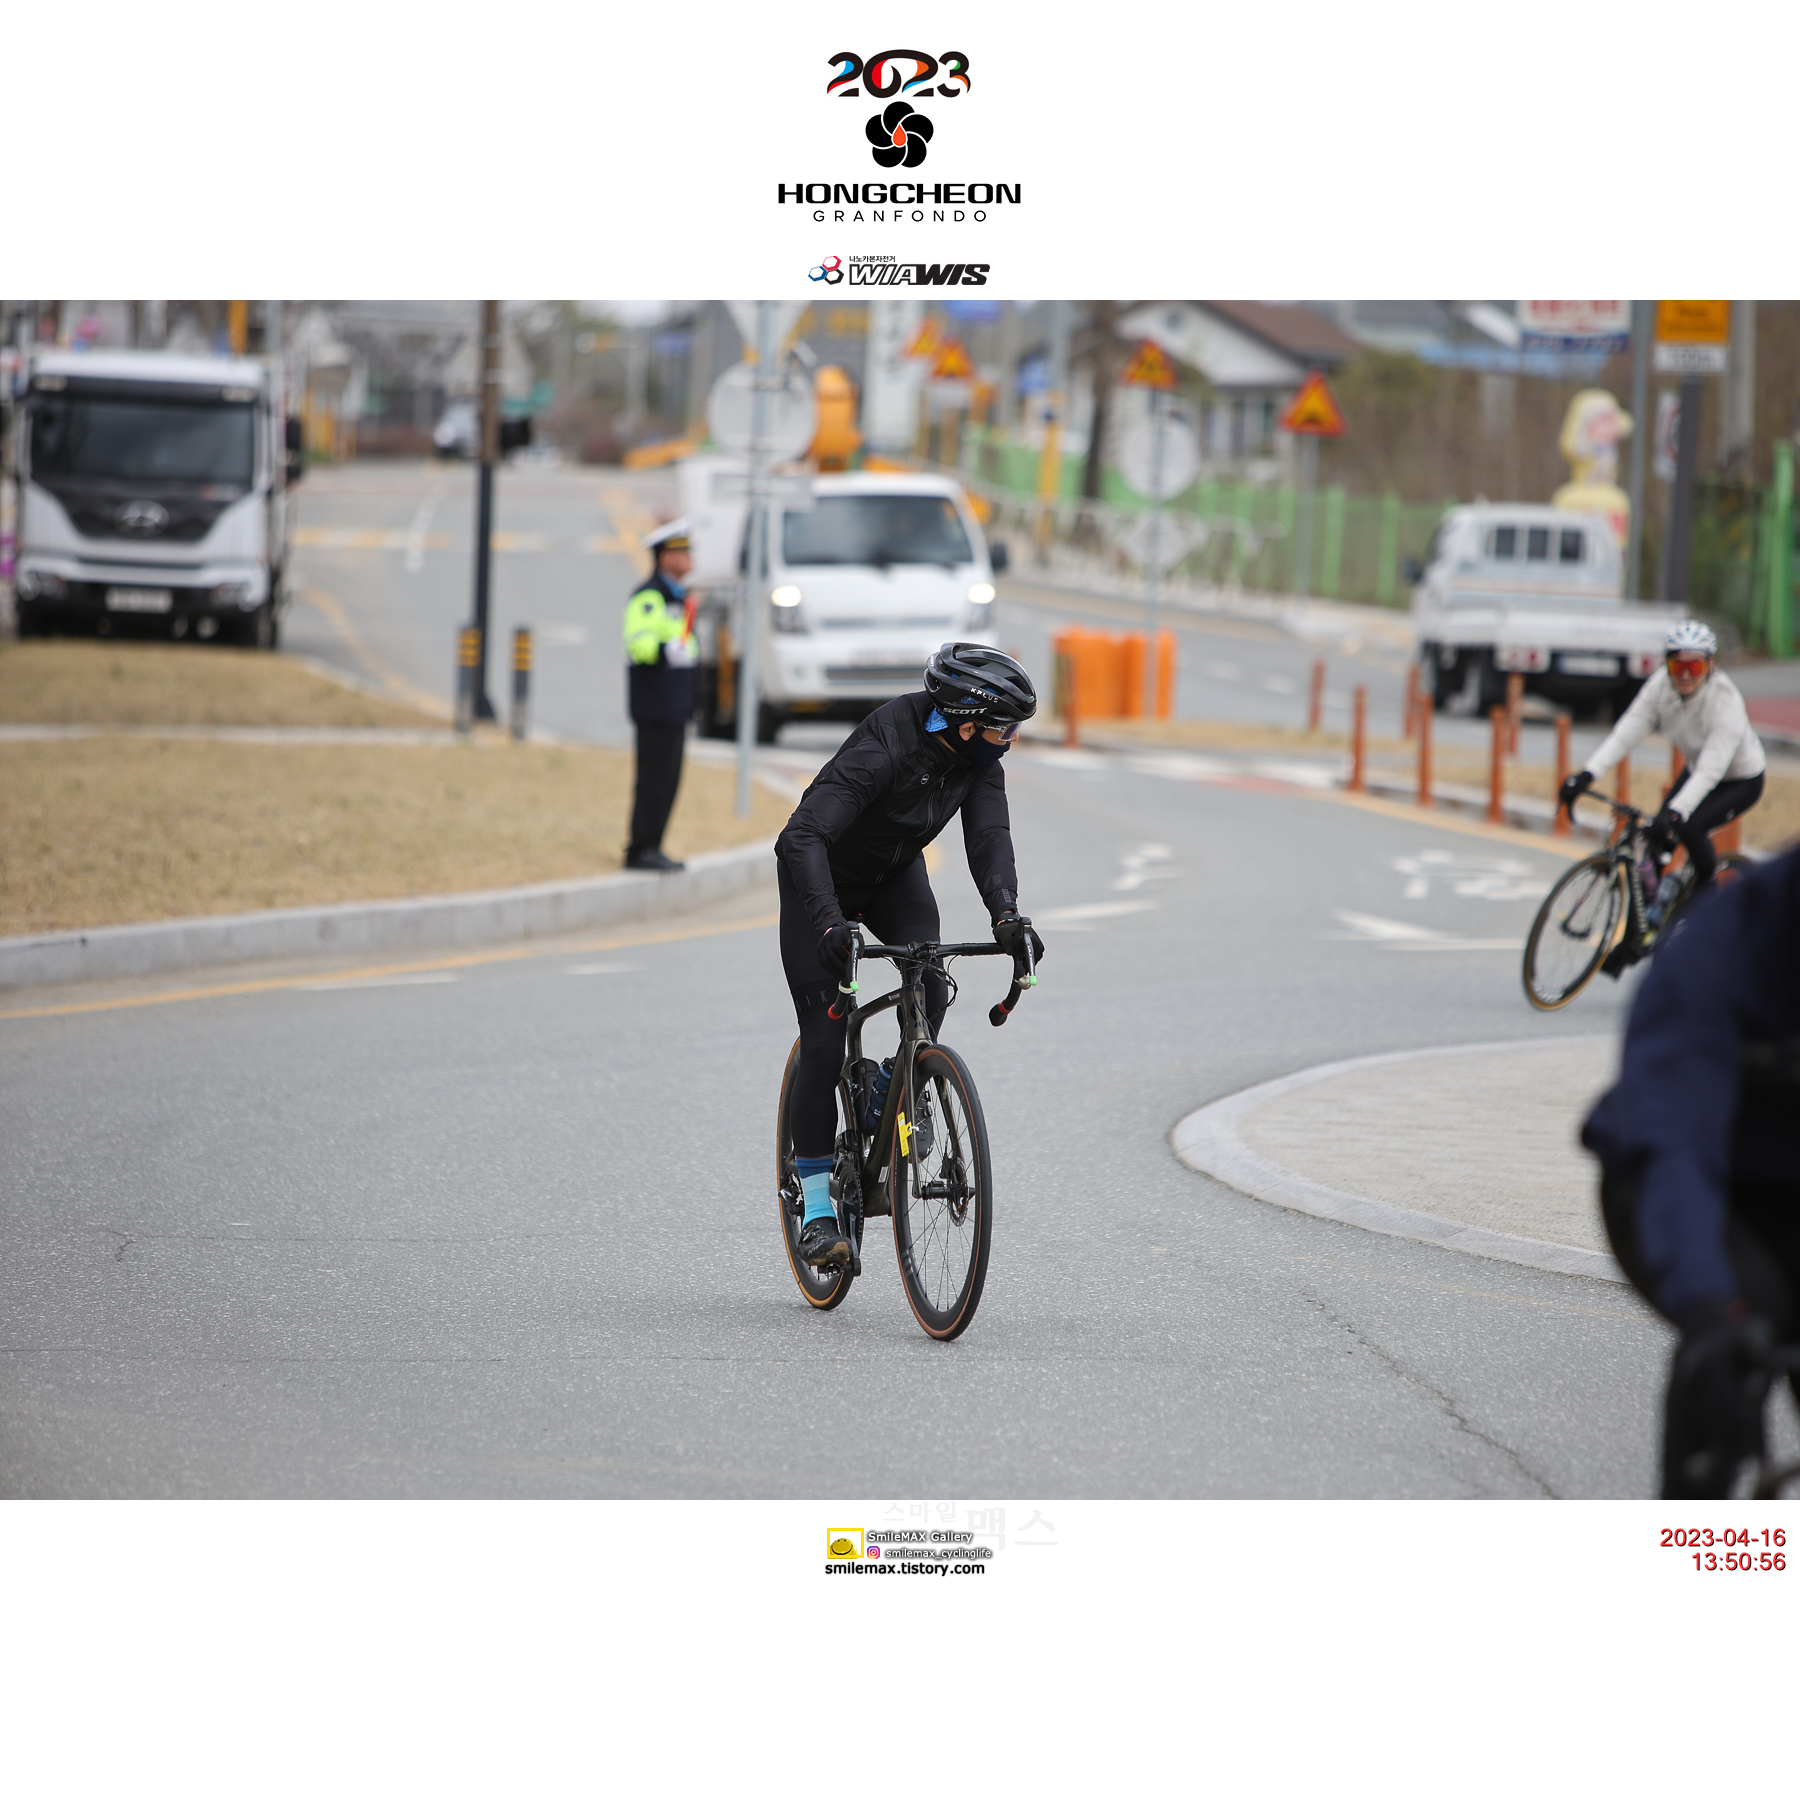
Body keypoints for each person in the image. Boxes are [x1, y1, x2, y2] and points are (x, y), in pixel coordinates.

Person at [774, 643, 1046, 1270]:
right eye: (1003, 729)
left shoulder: (978, 759)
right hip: (821, 881)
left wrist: (1007, 916)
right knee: (824, 1039)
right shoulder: (887, 744)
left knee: (932, 983)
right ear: (966, 724)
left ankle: (889, 1092)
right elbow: (801, 836)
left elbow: (989, 836)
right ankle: (816, 1209)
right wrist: (829, 923)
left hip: (893, 877)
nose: (1010, 741)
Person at [1582, 847, 1800, 1498]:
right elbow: (1677, 1144)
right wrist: (1708, 1306)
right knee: (1745, 1317)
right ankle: (1693, 1522)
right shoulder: (1718, 951)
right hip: (1687, 1185)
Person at [1558, 621, 1765, 951]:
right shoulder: (1659, 688)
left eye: (1695, 667)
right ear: (1666, 665)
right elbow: (1626, 733)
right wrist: (1586, 775)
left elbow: (1710, 772)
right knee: (1655, 841)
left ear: (1710, 666)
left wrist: (1675, 812)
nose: (1685, 675)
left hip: (1739, 780)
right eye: (1677, 666)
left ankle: (1707, 902)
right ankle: (1638, 936)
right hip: (1697, 770)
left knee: (1690, 828)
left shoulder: (1726, 704)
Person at [621, 520, 699, 872]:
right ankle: (640, 848)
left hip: (674, 705)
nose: (690, 557)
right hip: (656, 705)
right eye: (683, 551)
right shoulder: (650, 596)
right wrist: (665, 650)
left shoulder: (676, 596)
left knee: (668, 781)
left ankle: (653, 845)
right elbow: (638, 643)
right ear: (665, 557)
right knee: (653, 781)